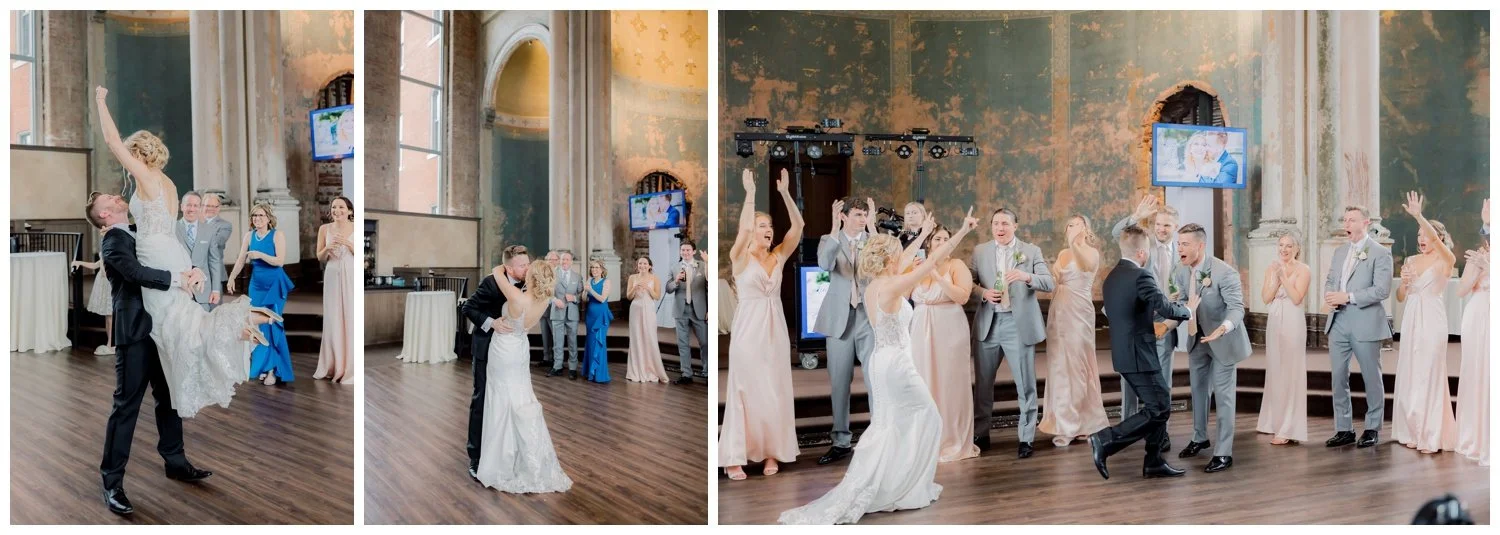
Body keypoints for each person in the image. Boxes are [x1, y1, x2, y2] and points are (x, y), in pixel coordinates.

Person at [780, 207, 978, 525]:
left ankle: (891, 480)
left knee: (890, 423)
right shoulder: (892, 287)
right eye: (899, 254)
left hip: (882, 363)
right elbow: (927, 262)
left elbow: (913, 257)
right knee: (928, 416)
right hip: (897, 366)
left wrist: (924, 235)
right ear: (890, 260)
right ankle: (898, 484)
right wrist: (963, 231)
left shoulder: (877, 284)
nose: (905, 258)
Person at [92, 85, 279, 420]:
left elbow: (110, 141)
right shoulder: (169, 183)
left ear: (137, 155)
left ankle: (238, 322)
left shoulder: (145, 177)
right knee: (185, 319)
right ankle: (239, 327)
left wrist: (100, 101)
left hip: (154, 252)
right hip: (174, 251)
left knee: (173, 326)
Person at [87, 193, 221, 516]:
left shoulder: (140, 231)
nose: (116, 196)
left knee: (168, 395)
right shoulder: (112, 242)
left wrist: (192, 271)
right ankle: (112, 482)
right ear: (104, 214)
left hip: (163, 324)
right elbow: (135, 273)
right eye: (108, 198)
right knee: (126, 405)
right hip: (134, 331)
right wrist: (177, 279)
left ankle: (175, 462)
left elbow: (165, 252)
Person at [1087, 225, 1192, 480]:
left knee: (1159, 404)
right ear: (1143, 253)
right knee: (1159, 407)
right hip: (1140, 354)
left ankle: (1154, 462)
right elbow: (1164, 307)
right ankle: (1105, 439)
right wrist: (1187, 310)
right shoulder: (1141, 276)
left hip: (1124, 353)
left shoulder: (1111, 277)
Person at [720, 168, 803, 480]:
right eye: (762, 226)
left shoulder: (779, 255)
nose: (768, 230)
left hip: (775, 329)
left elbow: (798, 225)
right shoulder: (739, 257)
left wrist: (784, 194)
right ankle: (734, 456)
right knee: (744, 389)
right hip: (748, 329)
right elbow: (742, 230)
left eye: (769, 225)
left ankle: (771, 451)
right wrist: (751, 194)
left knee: (773, 390)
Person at [475, 259, 573, 493]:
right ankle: (527, 454)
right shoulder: (544, 298)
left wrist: (508, 264)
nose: (525, 270)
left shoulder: (518, 298)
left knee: (501, 398)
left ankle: (501, 458)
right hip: (520, 348)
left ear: (532, 277)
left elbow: (497, 271)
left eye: (529, 269)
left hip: (504, 349)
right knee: (520, 396)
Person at [970, 207, 1054, 458]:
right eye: (996, 223)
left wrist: (1026, 276)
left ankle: (1026, 438)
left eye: (1005, 223)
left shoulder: (1031, 251)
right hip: (989, 322)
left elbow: (1049, 282)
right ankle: (981, 433)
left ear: (1015, 226)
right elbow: (969, 284)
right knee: (983, 385)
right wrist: (983, 293)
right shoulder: (980, 251)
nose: (1000, 228)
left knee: (1025, 384)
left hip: (1018, 325)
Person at [1171, 223, 1252, 473]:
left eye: (1185, 244)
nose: (1179, 248)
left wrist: (1224, 327)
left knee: (1224, 397)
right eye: (1179, 243)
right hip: (1197, 339)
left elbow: (1237, 307)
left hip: (1223, 340)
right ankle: (1199, 437)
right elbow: (1183, 302)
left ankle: (1223, 453)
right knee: (1198, 391)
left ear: (1200, 246)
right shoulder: (1180, 270)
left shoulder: (1224, 272)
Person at [811, 195, 879, 466]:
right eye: (859, 215)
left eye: (865, 215)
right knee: (839, 383)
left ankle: (878, 438)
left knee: (876, 378)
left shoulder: (872, 240)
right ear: (844, 216)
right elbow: (824, 265)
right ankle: (840, 442)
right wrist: (831, 231)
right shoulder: (830, 240)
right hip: (839, 319)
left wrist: (873, 229)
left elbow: (885, 264)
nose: (862, 220)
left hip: (868, 317)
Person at [1111, 195, 1180, 453]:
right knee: (1131, 381)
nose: (1161, 229)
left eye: (1167, 226)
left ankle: (1160, 433)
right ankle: (1128, 429)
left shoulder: (1180, 252)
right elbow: (1117, 233)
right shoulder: (1143, 244)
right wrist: (1136, 215)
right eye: (1158, 225)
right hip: (1139, 319)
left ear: (1175, 227)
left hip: (1166, 322)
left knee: (1163, 382)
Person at [1321, 205, 1393, 449]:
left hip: (1365, 321)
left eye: (1352, 220)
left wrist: (1348, 297)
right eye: (1345, 220)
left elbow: (1382, 290)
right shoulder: (1340, 251)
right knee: (1338, 377)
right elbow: (1331, 279)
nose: (1347, 224)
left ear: (1366, 222)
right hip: (1338, 321)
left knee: (1371, 376)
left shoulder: (1380, 253)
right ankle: (1344, 429)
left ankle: (1372, 427)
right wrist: (1329, 295)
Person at [1392, 192, 1458, 454]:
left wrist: (1419, 216)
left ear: (1438, 240)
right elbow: (1400, 297)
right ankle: (1412, 428)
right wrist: (1405, 284)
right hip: (1411, 320)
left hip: (1432, 320)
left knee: (1430, 373)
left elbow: (1448, 256)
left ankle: (1430, 433)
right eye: (1418, 235)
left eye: (1426, 236)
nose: (1421, 240)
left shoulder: (1445, 260)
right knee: (1411, 371)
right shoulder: (1410, 261)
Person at [908, 221, 979, 462]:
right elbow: (901, 291)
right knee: (923, 381)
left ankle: (951, 438)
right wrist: (917, 270)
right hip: (919, 328)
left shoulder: (956, 265)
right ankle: (925, 439)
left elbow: (962, 296)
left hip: (949, 328)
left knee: (950, 383)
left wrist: (937, 276)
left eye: (944, 239)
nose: (940, 243)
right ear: (928, 242)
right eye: (936, 239)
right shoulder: (917, 265)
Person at [1038, 215, 1110, 448]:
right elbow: (1055, 279)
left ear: (1085, 228)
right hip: (1059, 309)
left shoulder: (1091, 252)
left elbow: (1086, 266)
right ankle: (1063, 423)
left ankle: (1083, 422)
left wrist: (1073, 244)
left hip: (1080, 312)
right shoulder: (1061, 254)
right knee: (1060, 365)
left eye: (1075, 224)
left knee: (1078, 364)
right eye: (1068, 224)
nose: (1070, 227)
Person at [461, 245, 528, 482]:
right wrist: (491, 322)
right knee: (481, 399)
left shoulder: (528, 284)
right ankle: (476, 457)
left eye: (528, 263)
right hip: (487, 348)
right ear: (509, 268)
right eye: (522, 265)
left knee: (509, 401)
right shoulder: (491, 282)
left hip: (511, 353)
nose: (527, 268)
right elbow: (468, 307)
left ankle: (506, 452)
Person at [228, 203, 296, 386]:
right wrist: (232, 277)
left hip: (275, 284)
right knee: (257, 325)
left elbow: (280, 261)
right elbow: (241, 259)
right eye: (254, 216)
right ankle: (264, 367)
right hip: (256, 285)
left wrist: (259, 254)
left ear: (268, 218)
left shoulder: (277, 235)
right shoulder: (249, 236)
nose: (257, 219)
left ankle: (273, 369)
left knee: (272, 323)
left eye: (261, 215)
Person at [1257, 232, 1310, 445]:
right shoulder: (1271, 267)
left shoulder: (1304, 269)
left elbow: (1297, 298)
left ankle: (1289, 427)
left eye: (1289, 246)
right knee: (1275, 367)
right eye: (1281, 245)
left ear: (1297, 248)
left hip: (1293, 320)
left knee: (1291, 370)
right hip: (1274, 319)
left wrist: (1283, 277)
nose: (1284, 250)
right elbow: (1266, 298)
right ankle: (1273, 420)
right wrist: (1275, 276)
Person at [1455, 199, 1490, 465]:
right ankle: (1473, 435)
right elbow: (1460, 291)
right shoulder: (1477, 257)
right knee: (1475, 371)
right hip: (1476, 314)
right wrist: (1476, 273)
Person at [315, 196, 357, 384]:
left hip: (351, 272)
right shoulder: (324, 229)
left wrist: (348, 243)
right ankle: (333, 364)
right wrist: (327, 248)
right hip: (332, 273)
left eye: (341, 207)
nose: (337, 210)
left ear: (349, 210)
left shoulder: (357, 226)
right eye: (334, 207)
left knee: (350, 315)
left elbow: (361, 257)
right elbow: (320, 257)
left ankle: (349, 365)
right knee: (333, 318)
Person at [665, 242, 709, 385]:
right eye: (683, 250)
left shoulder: (703, 266)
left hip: (699, 310)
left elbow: (710, 287)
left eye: (688, 250)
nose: (685, 252)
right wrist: (676, 280)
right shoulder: (674, 267)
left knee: (705, 342)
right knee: (683, 343)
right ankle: (686, 374)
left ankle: (708, 372)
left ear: (694, 251)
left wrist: (710, 310)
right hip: (680, 310)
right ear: (680, 251)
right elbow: (668, 288)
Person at [626, 257, 669, 383]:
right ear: (637, 265)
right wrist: (635, 288)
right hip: (635, 309)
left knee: (649, 337)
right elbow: (629, 296)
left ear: (650, 266)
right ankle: (636, 370)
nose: (642, 265)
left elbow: (657, 296)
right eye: (640, 263)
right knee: (636, 337)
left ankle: (650, 369)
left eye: (645, 263)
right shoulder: (632, 278)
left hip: (649, 309)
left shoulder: (655, 278)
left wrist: (648, 288)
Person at [72, 239, 116, 356]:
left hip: (109, 283)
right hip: (103, 282)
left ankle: (111, 345)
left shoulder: (113, 249)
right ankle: (109, 343)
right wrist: (80, 262)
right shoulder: (105, 248)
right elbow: (96, 264)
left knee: (110, 316)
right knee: (108, 317)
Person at [548, 250, 584, 379]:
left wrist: (574, 298)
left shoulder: (577, 276)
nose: (564, 262)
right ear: (560, 261)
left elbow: (581, 294)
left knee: (572, 342)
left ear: (571, 262)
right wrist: (554, 300)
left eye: (567, 259)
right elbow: (546, 292)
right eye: (563, 259)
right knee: (557, 342)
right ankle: (557, 366)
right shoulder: (552, 274)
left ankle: (573, 368)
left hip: (572, 314)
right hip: (557, 312)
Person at [580, 258, 613, 384]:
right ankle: (590, 372)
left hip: (601, 315)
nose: (594, 270)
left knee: (599, 342)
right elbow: (584, 299)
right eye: (592, 267)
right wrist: (585, 290)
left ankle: (599, 374)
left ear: (602, 270)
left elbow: (602, 299)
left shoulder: (606, 281)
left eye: (597, 268)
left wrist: (591, 290)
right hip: (590, 315)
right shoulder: (590, 280)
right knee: (590, 342)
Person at [200, 192, 232, 308]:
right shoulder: (195, 223)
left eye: (214, 206)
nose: (211, 209)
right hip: (195, 272)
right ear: (202, 206)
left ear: (219, 208)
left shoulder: (225, 225)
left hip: (214, 273)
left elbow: (218, 242)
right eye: (208, 206)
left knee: (214, 309)